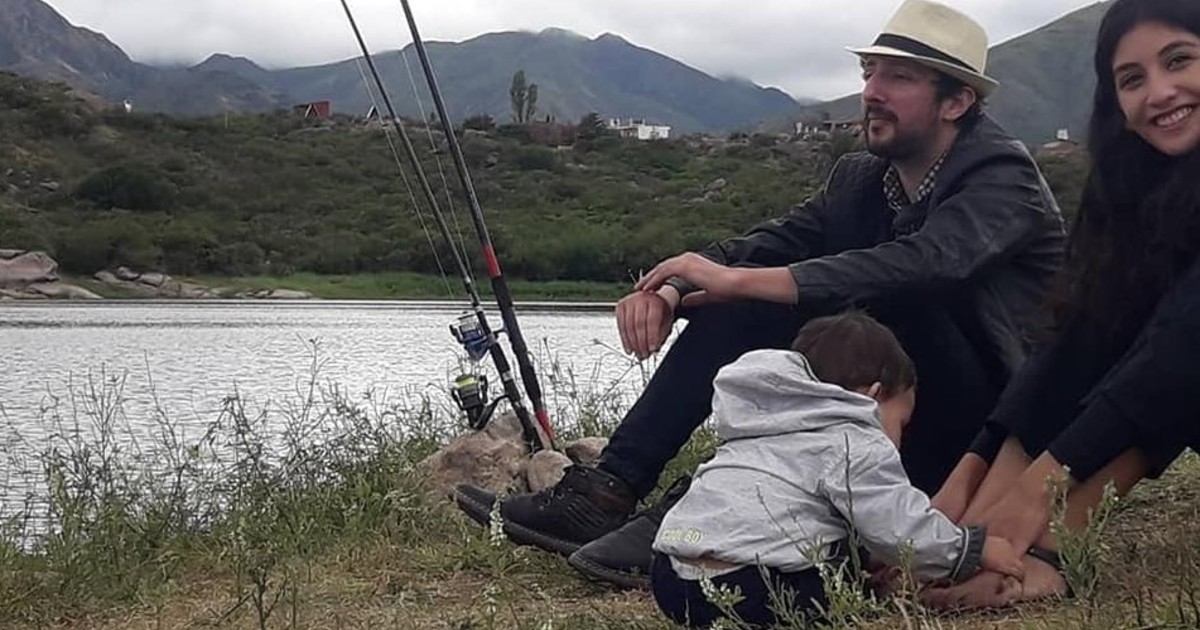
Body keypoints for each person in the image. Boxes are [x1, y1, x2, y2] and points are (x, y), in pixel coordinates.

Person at [455, 0, 1067, 587]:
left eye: (898, 78)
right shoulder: (860, 179)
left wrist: (741, 280)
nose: (872, 92)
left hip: (979, 428)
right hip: (870, 415)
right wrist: (677, 286)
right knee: (747, 300)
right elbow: (773, 242)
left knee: (877, 302)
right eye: (868, 72)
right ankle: (606, 491)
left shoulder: (1002, 178)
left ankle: (709, 514)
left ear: (957, 101)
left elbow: (924, 264)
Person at [921, 0, 1200, 609]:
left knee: (1181, 346)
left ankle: (1045, 541)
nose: (1160, 93)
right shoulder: (1140, 181)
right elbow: (1079, 333)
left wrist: (1036, 493)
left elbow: (1179, 350)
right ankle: (983, 523)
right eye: (1132, 79)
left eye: (1180, 60)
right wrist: (970, 473)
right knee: (1105, 313)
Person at [649, 313, 1025, 628]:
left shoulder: (758, 426)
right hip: (754, 586)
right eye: (901, 423)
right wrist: (971, 550)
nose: (899, 439)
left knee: (831, 553)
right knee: (838, 581)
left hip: (671, 578)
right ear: (872, 396)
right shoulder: (854, 438)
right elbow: (901, 527)